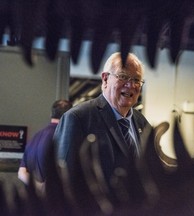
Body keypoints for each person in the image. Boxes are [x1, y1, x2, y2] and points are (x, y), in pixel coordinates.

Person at [53, 52, 152, 200]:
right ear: (105, 79)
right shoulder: (78, 118)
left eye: (136, 79)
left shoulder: (143, 123)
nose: (131, 85)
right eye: (123, 76)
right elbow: (63, 181)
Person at [18, 99, 73, 192]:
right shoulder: (65, 136)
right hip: (54, 198)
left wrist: (38, 187)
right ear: (69, 116)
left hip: (35, 200)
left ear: (51, 114)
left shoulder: (36, 136)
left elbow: (21, 172)